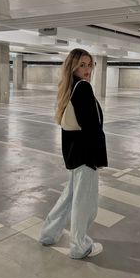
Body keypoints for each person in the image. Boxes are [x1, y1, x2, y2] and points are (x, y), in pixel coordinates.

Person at [39, 48, 108, 259]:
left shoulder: (70, 87)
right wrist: (97, 159)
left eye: (90, 65)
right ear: (73, 67)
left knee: (69, 198)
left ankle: (49, 234)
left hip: (74, 154)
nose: (87, 69)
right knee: (84, 203)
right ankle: (80, 246)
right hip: (86, 156)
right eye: (82, 65)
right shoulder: (84, 88)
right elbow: (92, 129)